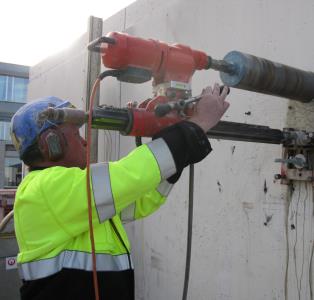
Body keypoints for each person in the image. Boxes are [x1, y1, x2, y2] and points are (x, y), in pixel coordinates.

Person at [11, 83, 229, 300]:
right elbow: (129, 176)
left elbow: (142, 197)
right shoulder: (41, 189)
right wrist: (197, 125)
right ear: (52, 143)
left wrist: (175, 150)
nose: (85, 141)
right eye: (77, 135)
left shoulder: (76, 200)